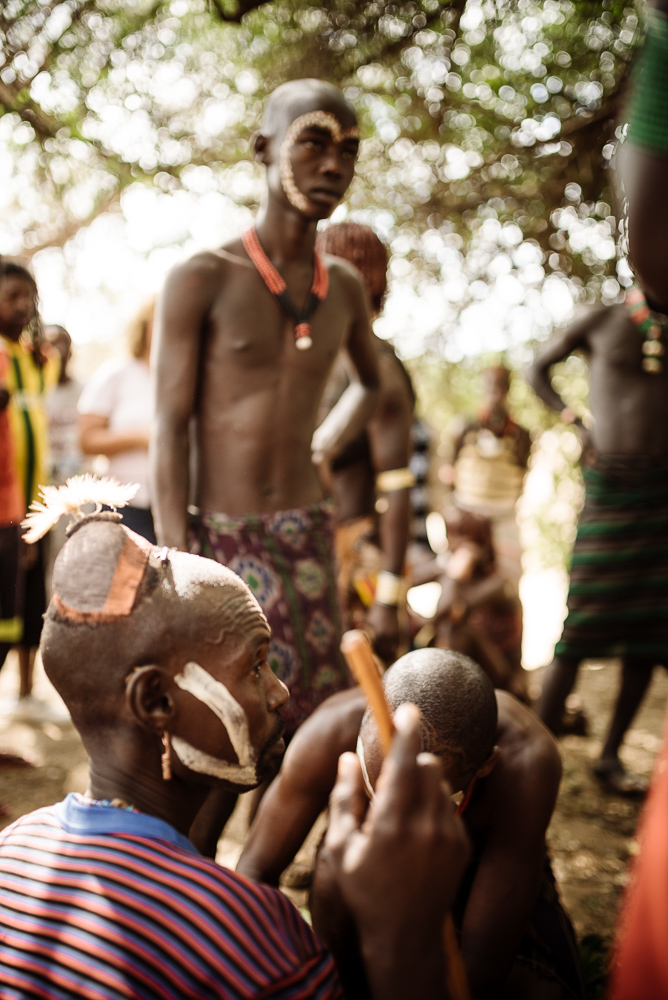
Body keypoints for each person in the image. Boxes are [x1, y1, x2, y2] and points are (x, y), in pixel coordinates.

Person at [0, 478, 470, 1000]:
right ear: (156, 701)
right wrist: (398, 939)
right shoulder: (252, 942)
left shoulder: (14, 851)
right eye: (256, 666)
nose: (280, 691)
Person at [152, 80, 380, 850]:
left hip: (307, 532)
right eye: (313, 141)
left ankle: (255, 894)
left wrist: (321, 446)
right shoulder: (202, 276)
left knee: (307, 717)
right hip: (219, 542)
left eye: (348, 148)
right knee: (221, 725)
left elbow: (380, 390)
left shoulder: (341, 288)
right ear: (263, 150)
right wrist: (176, 557)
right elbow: (167, 425)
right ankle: (185, 880)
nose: (334, 163)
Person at [238, 649, 583, 1000]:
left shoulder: (526, 762)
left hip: (477, 872)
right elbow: (254, 872)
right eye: (375, 792)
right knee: (331, 873)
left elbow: (484, 959)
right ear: (360, 730)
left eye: (435, 798)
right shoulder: (328, 733)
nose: (396, 813)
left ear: (486, 764)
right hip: (365, 872)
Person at [525, 270, 668, 794]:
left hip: (664, 495)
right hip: (611, 487)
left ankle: (609, 758)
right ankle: (532, 751)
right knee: (581, 624)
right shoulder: (601, 319)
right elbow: (536, 367)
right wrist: (575, 420)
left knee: (653, 635)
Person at [315, 223, 415, 664]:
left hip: (354, 561)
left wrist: (387, 598)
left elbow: (398, 490)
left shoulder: (382, 369)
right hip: (298, 552)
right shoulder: (303, 356)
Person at [0, 258, 59, 712]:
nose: (23, 306)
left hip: (28, 503)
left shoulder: (33, 357)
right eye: (12, 297)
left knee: (23, 605)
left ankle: (24, 693)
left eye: (29, 297)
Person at [443, 365, 531, 590]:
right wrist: (455, 514)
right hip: (467, 518)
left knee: (509, 582)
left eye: (500, 388)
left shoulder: (521, 435)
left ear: (507, 391)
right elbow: (448, 475)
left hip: (503, 518)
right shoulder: (465, 428)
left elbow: (522, 475)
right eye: (490, 386)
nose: (494, 393)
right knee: (456, 574)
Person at [78, 298, 156, 544]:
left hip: (181, 508)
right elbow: (86, 441)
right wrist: (138, 439)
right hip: (125, 507)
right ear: (144, 327)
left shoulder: (192, 379)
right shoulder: (116, 374)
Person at [43, 324, 87, 599]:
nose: (58, 352)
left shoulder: (85, 391)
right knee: (46, 561)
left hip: (77, 491)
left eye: (64, 345)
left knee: (74, 555)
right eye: (52, 345)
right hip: (42, 488)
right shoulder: (37, 390)